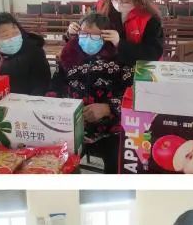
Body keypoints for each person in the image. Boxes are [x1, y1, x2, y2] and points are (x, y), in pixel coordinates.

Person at [49, 12, 133, 173]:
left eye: (95, 36)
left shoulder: (121, 61)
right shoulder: (69, 56)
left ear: (106, 37)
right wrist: (60, 109)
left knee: (118, 167)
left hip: (111, 130)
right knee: (59, 167)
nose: (88, 40)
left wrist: (108, 108)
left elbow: (131, 95)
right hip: (73, 126)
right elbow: (55, 87)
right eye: (84, 34)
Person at [66, 0, 164, 67]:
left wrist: (119, 43)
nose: (119, 3)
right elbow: (84, 31)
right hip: (105, 66)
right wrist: (72, 32)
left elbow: (153, 53)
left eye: (126, 0)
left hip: (136, 68)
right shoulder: (101, 6)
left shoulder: (149, 18)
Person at [0, 12, 52, 95]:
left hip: (23, 101)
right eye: (5, 35)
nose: (12, 38)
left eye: (15, 33)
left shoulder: (34, 53)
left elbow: (41, 85)